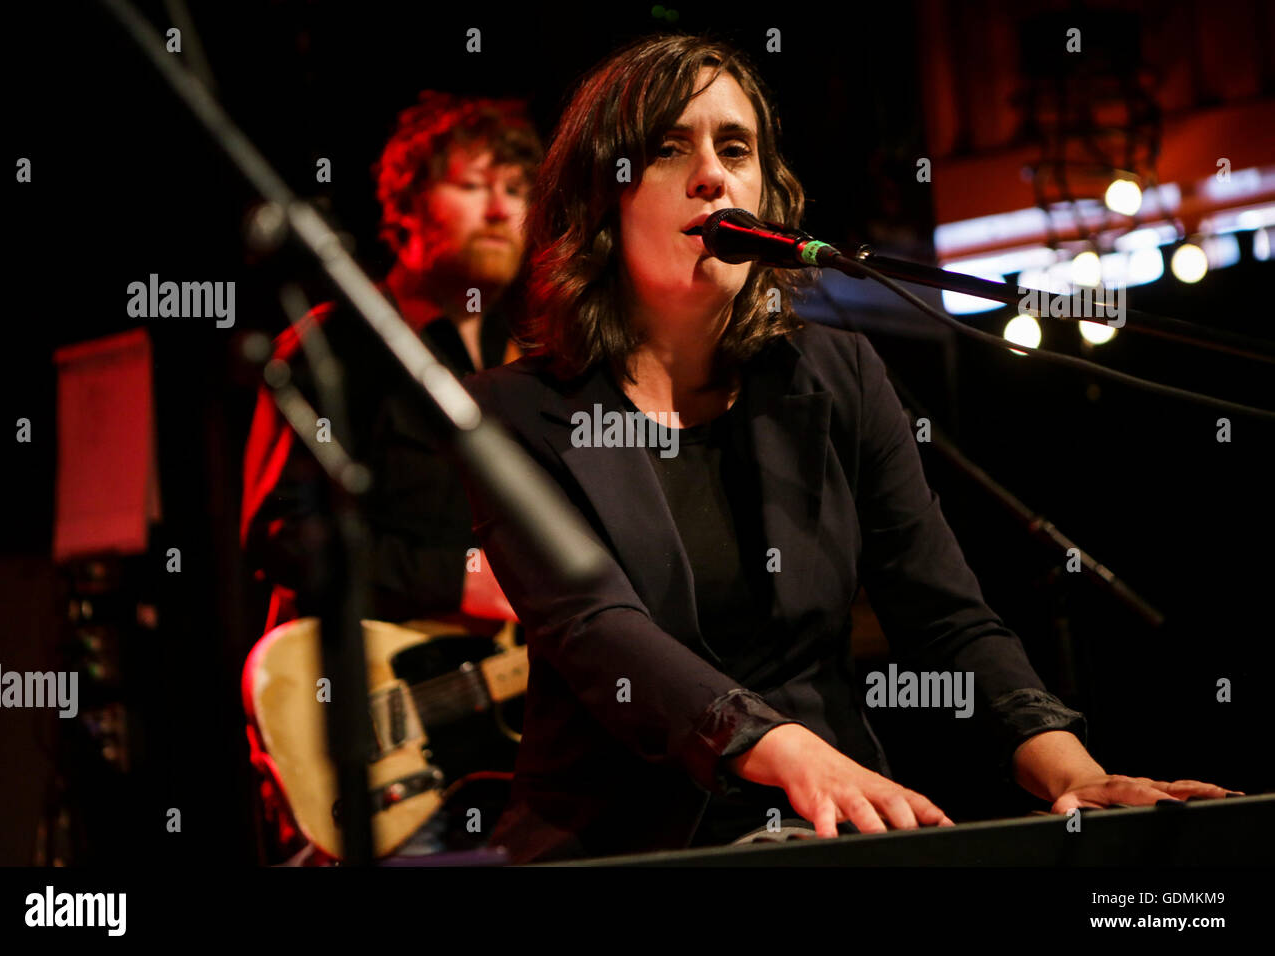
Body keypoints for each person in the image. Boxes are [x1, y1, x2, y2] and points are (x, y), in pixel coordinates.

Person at [461, 33, 1239, 864]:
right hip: (619, 844)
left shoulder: (835, 375)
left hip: (832, 827)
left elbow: (941, 613)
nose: (713, 175)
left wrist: (1069, 771)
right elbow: (600, 632)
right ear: (600, 195)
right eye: (666, 148)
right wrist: (785, 747)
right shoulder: (515, 414)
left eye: (736, 148)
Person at [239, 92, 541, 862]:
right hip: (384, 733)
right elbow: (283, 536)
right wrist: (457, 581)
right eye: (474, 185)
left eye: (516, 189)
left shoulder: (535, 364)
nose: (501, 209)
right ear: (405, 208)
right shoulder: (335, 347)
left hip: (514, 738)